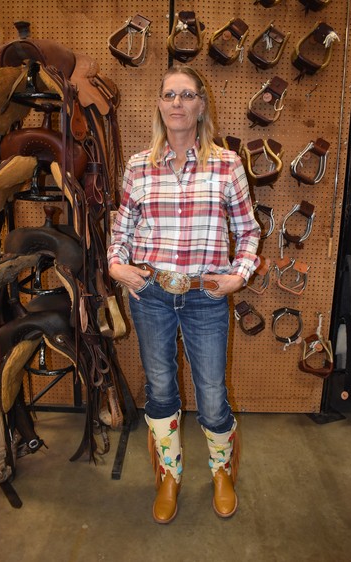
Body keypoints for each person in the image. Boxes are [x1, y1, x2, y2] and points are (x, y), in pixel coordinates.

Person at [107, 65, 261, 524]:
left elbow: (249, 232)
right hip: (152, 293)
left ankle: (220, 472)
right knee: (160, 389)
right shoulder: (138, 166)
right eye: (169, 94)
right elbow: (123, 229)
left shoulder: (227, 164)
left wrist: (240, 275)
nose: (177, 102)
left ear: (200, 105)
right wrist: (117, 264)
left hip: (206, 296)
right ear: (159, 104)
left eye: (187, 94)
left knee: (212, 392)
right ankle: (168, 475)